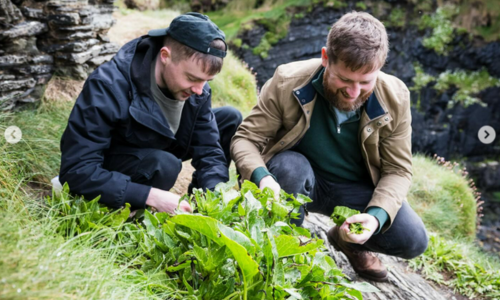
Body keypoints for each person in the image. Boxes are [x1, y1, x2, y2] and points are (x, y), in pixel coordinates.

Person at [230, 11, 428, 282]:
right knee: (289, 167)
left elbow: (398, 171)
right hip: (295, 178)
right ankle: (281, 251)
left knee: (412, 239)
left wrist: (375, 216)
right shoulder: (287, 80)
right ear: (325, 57)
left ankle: (348, 242)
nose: (354, 92)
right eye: (345, 80)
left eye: (366, 82)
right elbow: (245, 139)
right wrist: (262, 178)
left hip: (354, 191)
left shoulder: (396, 96)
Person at [59, 12, 242, 214]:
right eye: (192, 78)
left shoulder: (198, 90)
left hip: (160, 141)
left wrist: (216, 198)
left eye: (206, 81)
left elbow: (209, 151)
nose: (200, 89)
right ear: (165, 56)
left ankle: (199, 211)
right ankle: (127, 213)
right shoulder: (108, 85)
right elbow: (76, 170)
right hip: (116, 161)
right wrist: (149, 195)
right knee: (164, 164)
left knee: (229, 118)